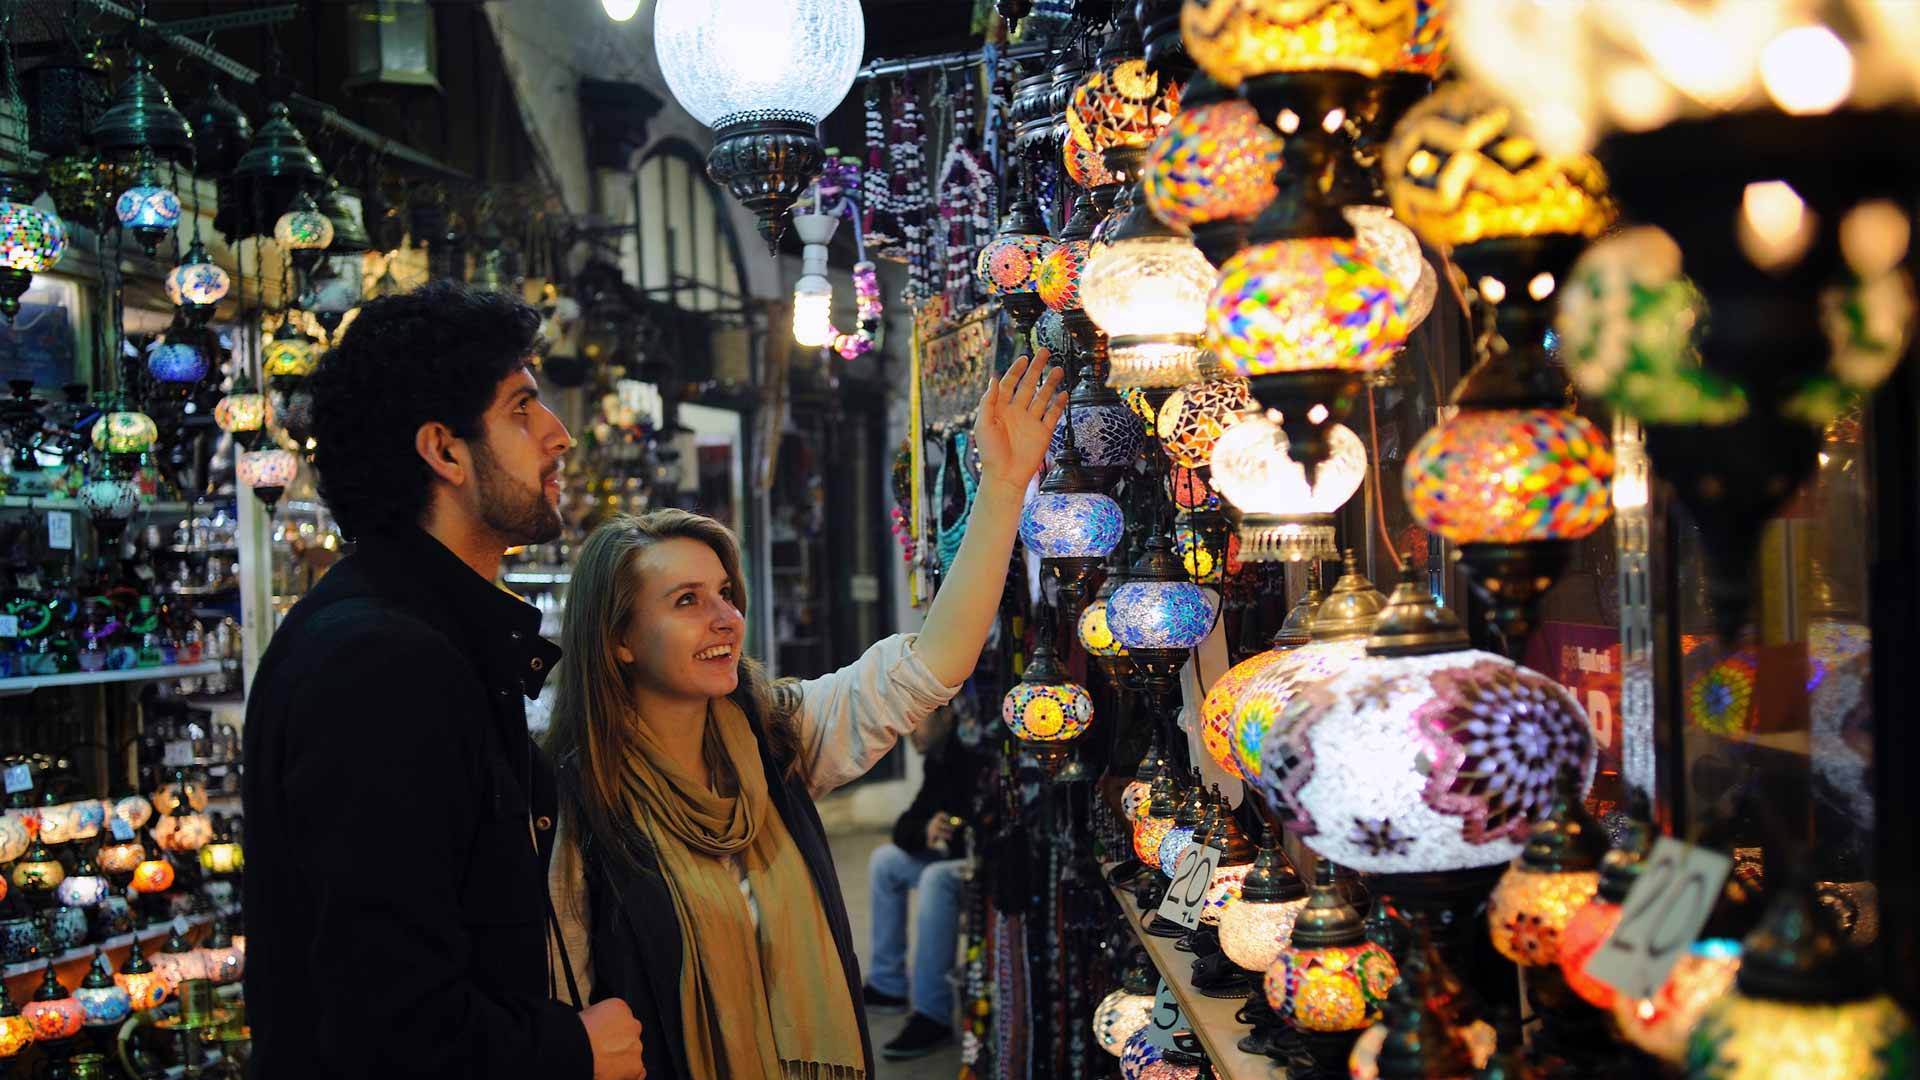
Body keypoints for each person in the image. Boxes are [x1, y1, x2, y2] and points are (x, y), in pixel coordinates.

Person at [547, 352, 1064, 1080]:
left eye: (726, 593)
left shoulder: (772, 737)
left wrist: (1005, 487)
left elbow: (933, 665)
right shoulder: (576, 806)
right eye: (687, 600)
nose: (726, 618)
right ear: (618, 640)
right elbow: (565, 996)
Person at [242, 282, 645, 1080]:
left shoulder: (428, 635)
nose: (559, 435)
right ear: (446, 451)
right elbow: (387, 1020)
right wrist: (570, 1049)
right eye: (523, 409)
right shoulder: (382, 665)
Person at [862, 704, 991, 1060]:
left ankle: (932, 1015)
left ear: (947, 714)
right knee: (886, 861)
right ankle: (888, 985)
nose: (908, 729)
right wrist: (926, 828)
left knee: (936, 879)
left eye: (917, 718)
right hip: (957, 861)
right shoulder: (939, 759)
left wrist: (961, 826)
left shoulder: (975, 753)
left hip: (989, 868)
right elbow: (904, 827)